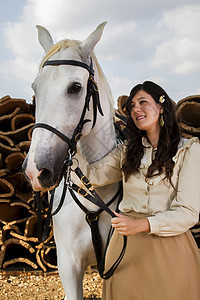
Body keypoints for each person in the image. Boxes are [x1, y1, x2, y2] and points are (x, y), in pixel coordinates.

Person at [75, 81, 200, 300]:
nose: (136, 109)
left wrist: (141, 224)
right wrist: (70, 144)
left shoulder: (188, 150)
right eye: (132, 105)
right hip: (125, 249)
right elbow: (92, 176)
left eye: (143, 102)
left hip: (170, 248)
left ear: (161, 106)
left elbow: (188, 213)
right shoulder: (126, 151)